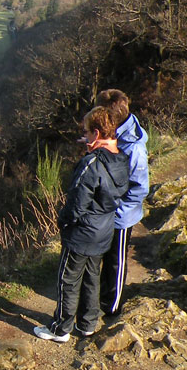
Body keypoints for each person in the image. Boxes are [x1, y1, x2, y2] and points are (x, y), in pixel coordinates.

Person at [34, 106, 130, 343]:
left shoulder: (91, 164)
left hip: (82, 233)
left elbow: (77, 203)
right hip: (105, 229)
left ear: (96, 134)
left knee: (68, 279)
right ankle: (87, 324)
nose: (85, 136)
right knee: (91, 278)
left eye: (87, 132)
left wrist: (63, 223)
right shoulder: (122, 158)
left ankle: (60, 328)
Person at [95, 90, 149, 319]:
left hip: (120, 216)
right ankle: (99, 297)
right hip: (105, 210)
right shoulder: (114, 133)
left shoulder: (134, 147)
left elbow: (140, 188)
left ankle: (112, 306)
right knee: (100, 258)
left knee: (115, 261)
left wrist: (116, 211)